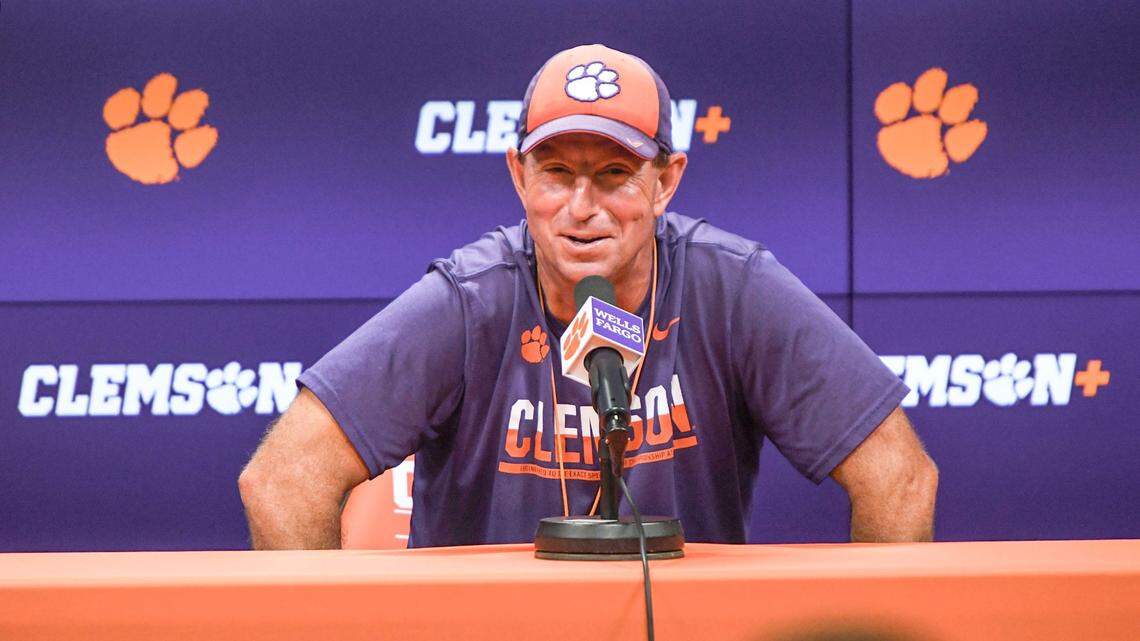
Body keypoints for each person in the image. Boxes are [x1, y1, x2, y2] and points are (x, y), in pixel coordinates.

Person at [238, 44, 938, 549]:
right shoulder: (470, 299)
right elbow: (284, 476)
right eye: (555, 172)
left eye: (613, 173)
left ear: (666, 181)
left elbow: (900, 476)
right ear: (518, 176)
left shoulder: (733, 287)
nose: (581, 207)